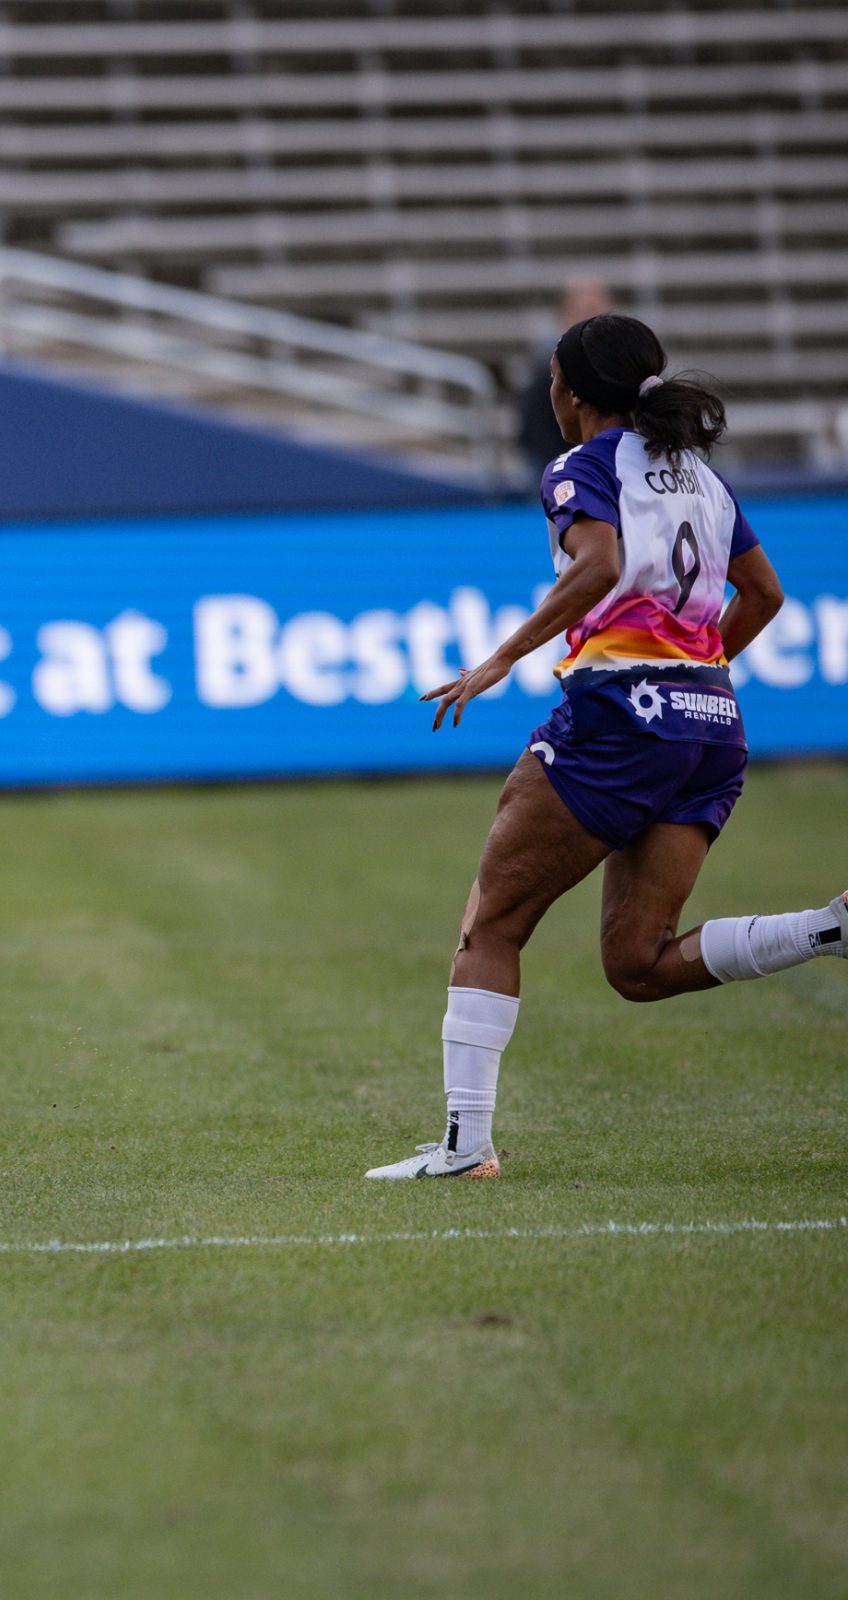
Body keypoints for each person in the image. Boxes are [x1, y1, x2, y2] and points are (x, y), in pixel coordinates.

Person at [369, 314, 843, 1179]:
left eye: (552, 375)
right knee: (639, 963)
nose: (548, 390)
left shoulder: (580, 467)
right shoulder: (700, 477)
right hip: (711, 727)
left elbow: (595, 567)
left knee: (493, 925)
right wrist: (691, 678)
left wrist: (501, 658)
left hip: (621, 721)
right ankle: (826, 929)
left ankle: (465, 1148)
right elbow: (765, 595)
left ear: (575, 393)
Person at [516, 277, 613, 477]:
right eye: (582, 311)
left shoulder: (627, 365)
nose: (590, 319)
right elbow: (535, 431)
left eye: (595, 310)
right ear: (565, 316)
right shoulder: (546, 371)